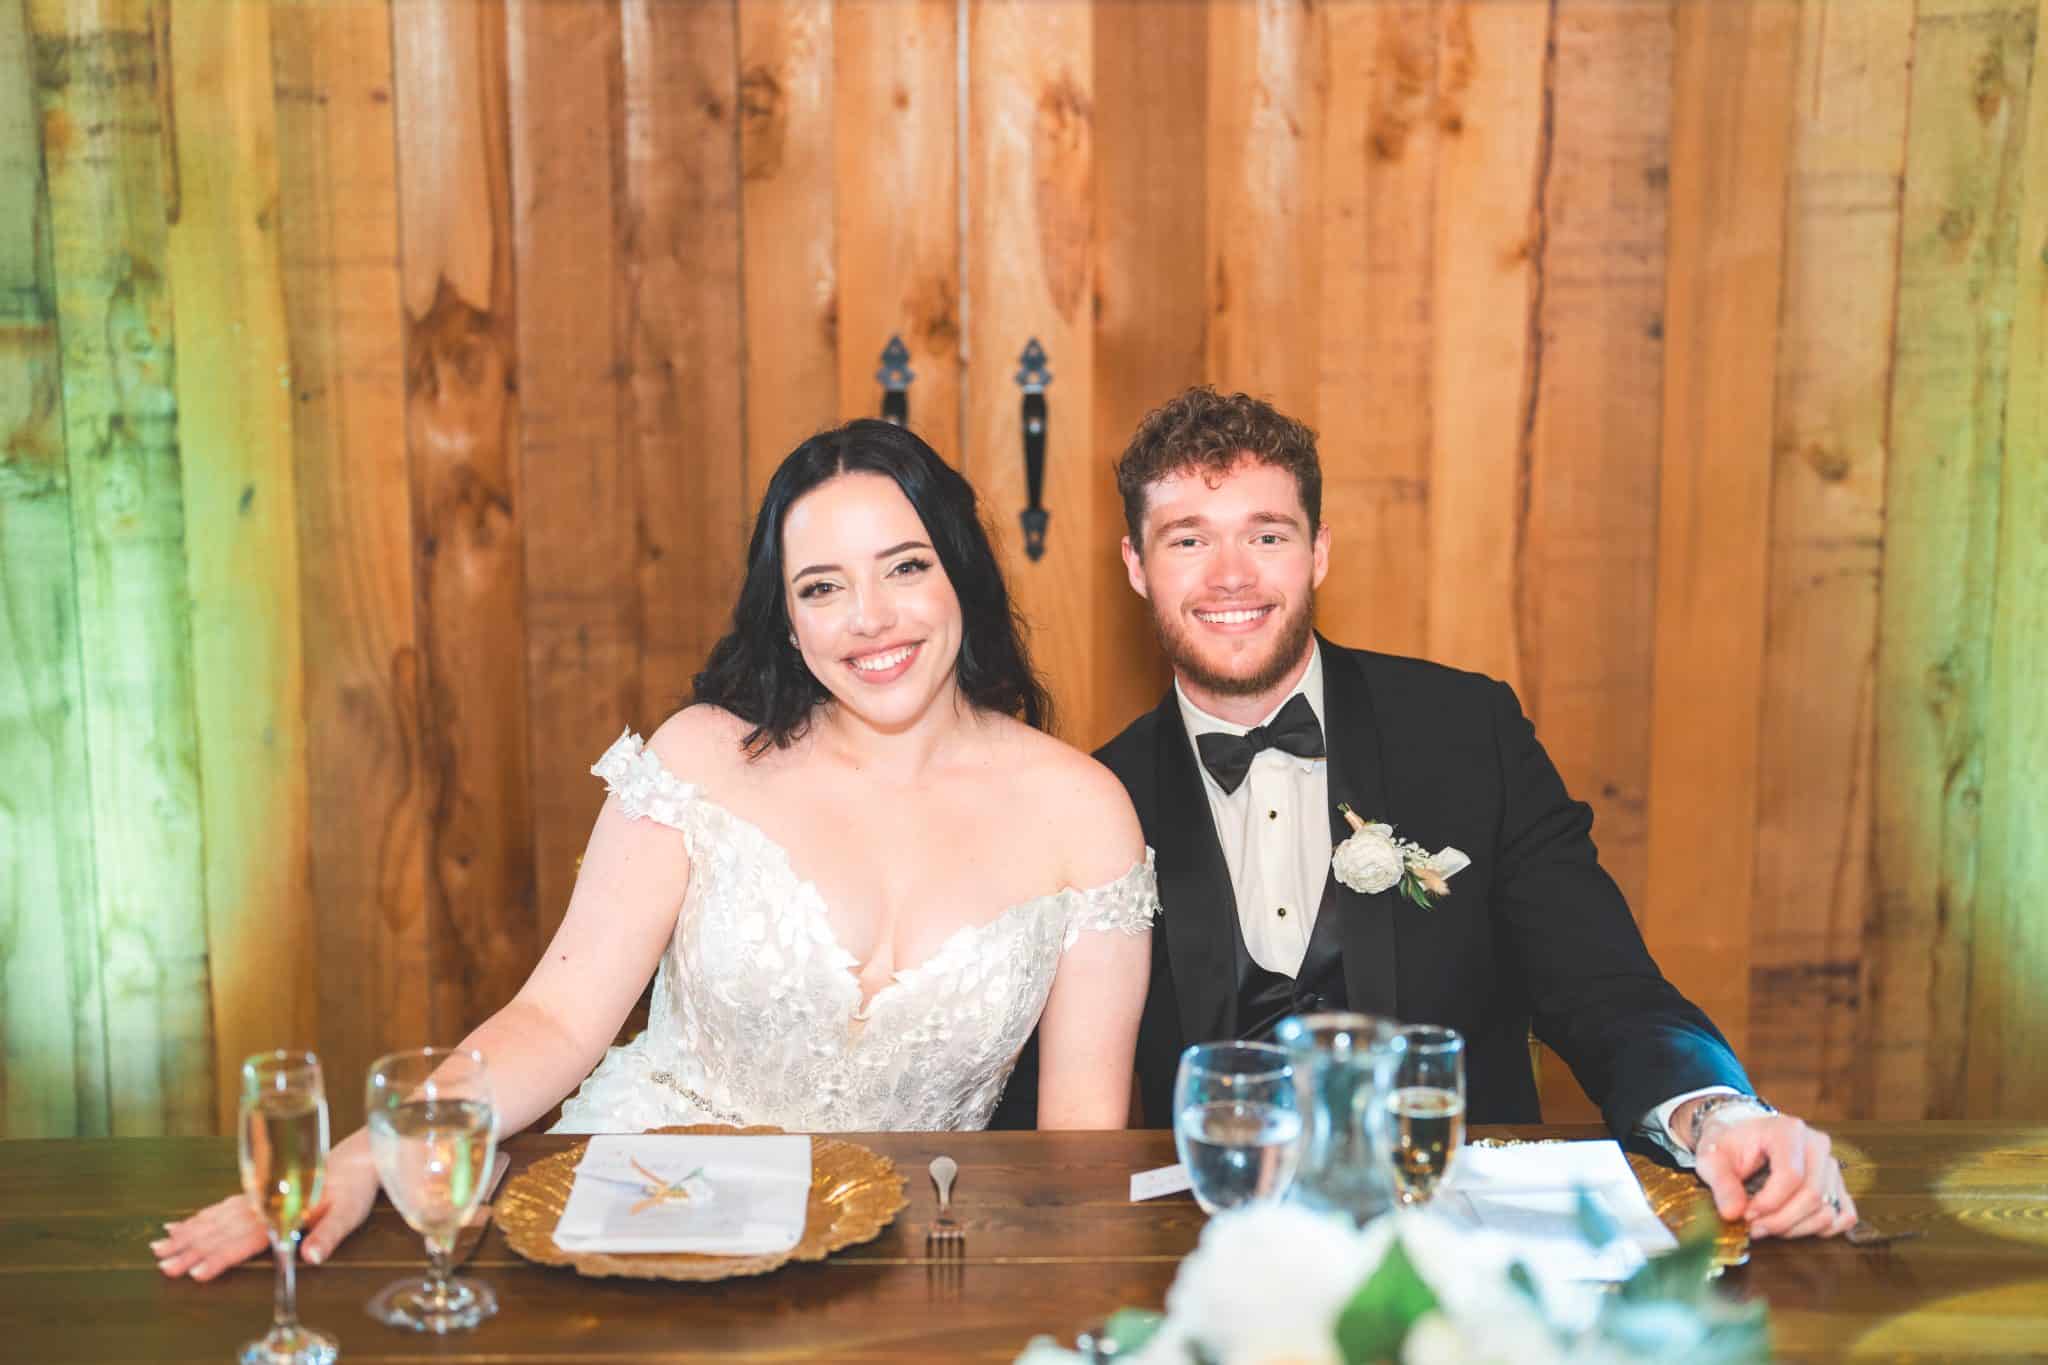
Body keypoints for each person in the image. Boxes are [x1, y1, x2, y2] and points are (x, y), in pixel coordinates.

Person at [154, 419, 1155, 1279]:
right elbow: (553, 1017)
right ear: (789, 622)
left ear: (960, 576)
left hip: (898, 1255)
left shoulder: (1083, 814)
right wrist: (366, 1157)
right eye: (821, 588)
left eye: (904, 566)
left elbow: (1074, 1153)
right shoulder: (700, 758)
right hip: (634, 1214)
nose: (869, 620)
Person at [997, 386, 1856, 1241]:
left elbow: (1605, 984)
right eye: (1190, 540)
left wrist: (1717, 1115)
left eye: (1267, 535)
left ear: (1319, 551)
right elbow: (1036, 1100)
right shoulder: (1092, 801)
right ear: (1137, 565)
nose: (1232, 575)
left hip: (1466, 1250)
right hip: (1202, 1253)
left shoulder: (1467, 732)